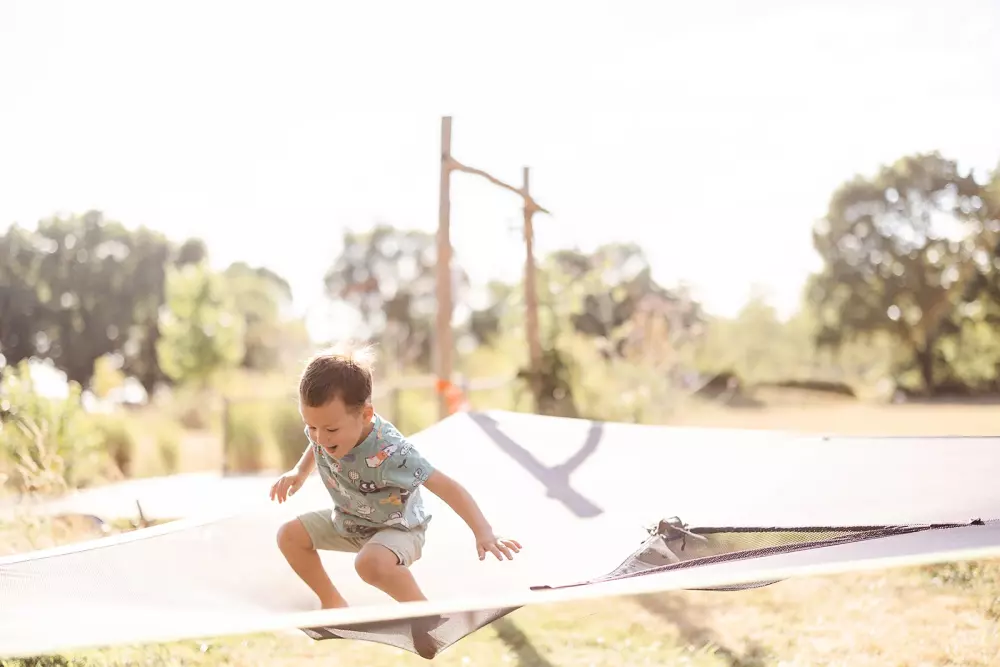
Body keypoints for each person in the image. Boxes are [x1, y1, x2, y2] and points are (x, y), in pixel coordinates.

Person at [269, 343, 522, 611]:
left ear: (366, 414)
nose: (320, 437)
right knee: (289, 536)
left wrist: (484, 532)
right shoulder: (324, 429)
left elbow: (446, 486)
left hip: (399, 527)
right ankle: (332, 601)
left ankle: (423, 613)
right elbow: (317, 444)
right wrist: (299, 471)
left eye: (330, 429)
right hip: (350, 520)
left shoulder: (392, 452)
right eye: (311, 427)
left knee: (369, 564)